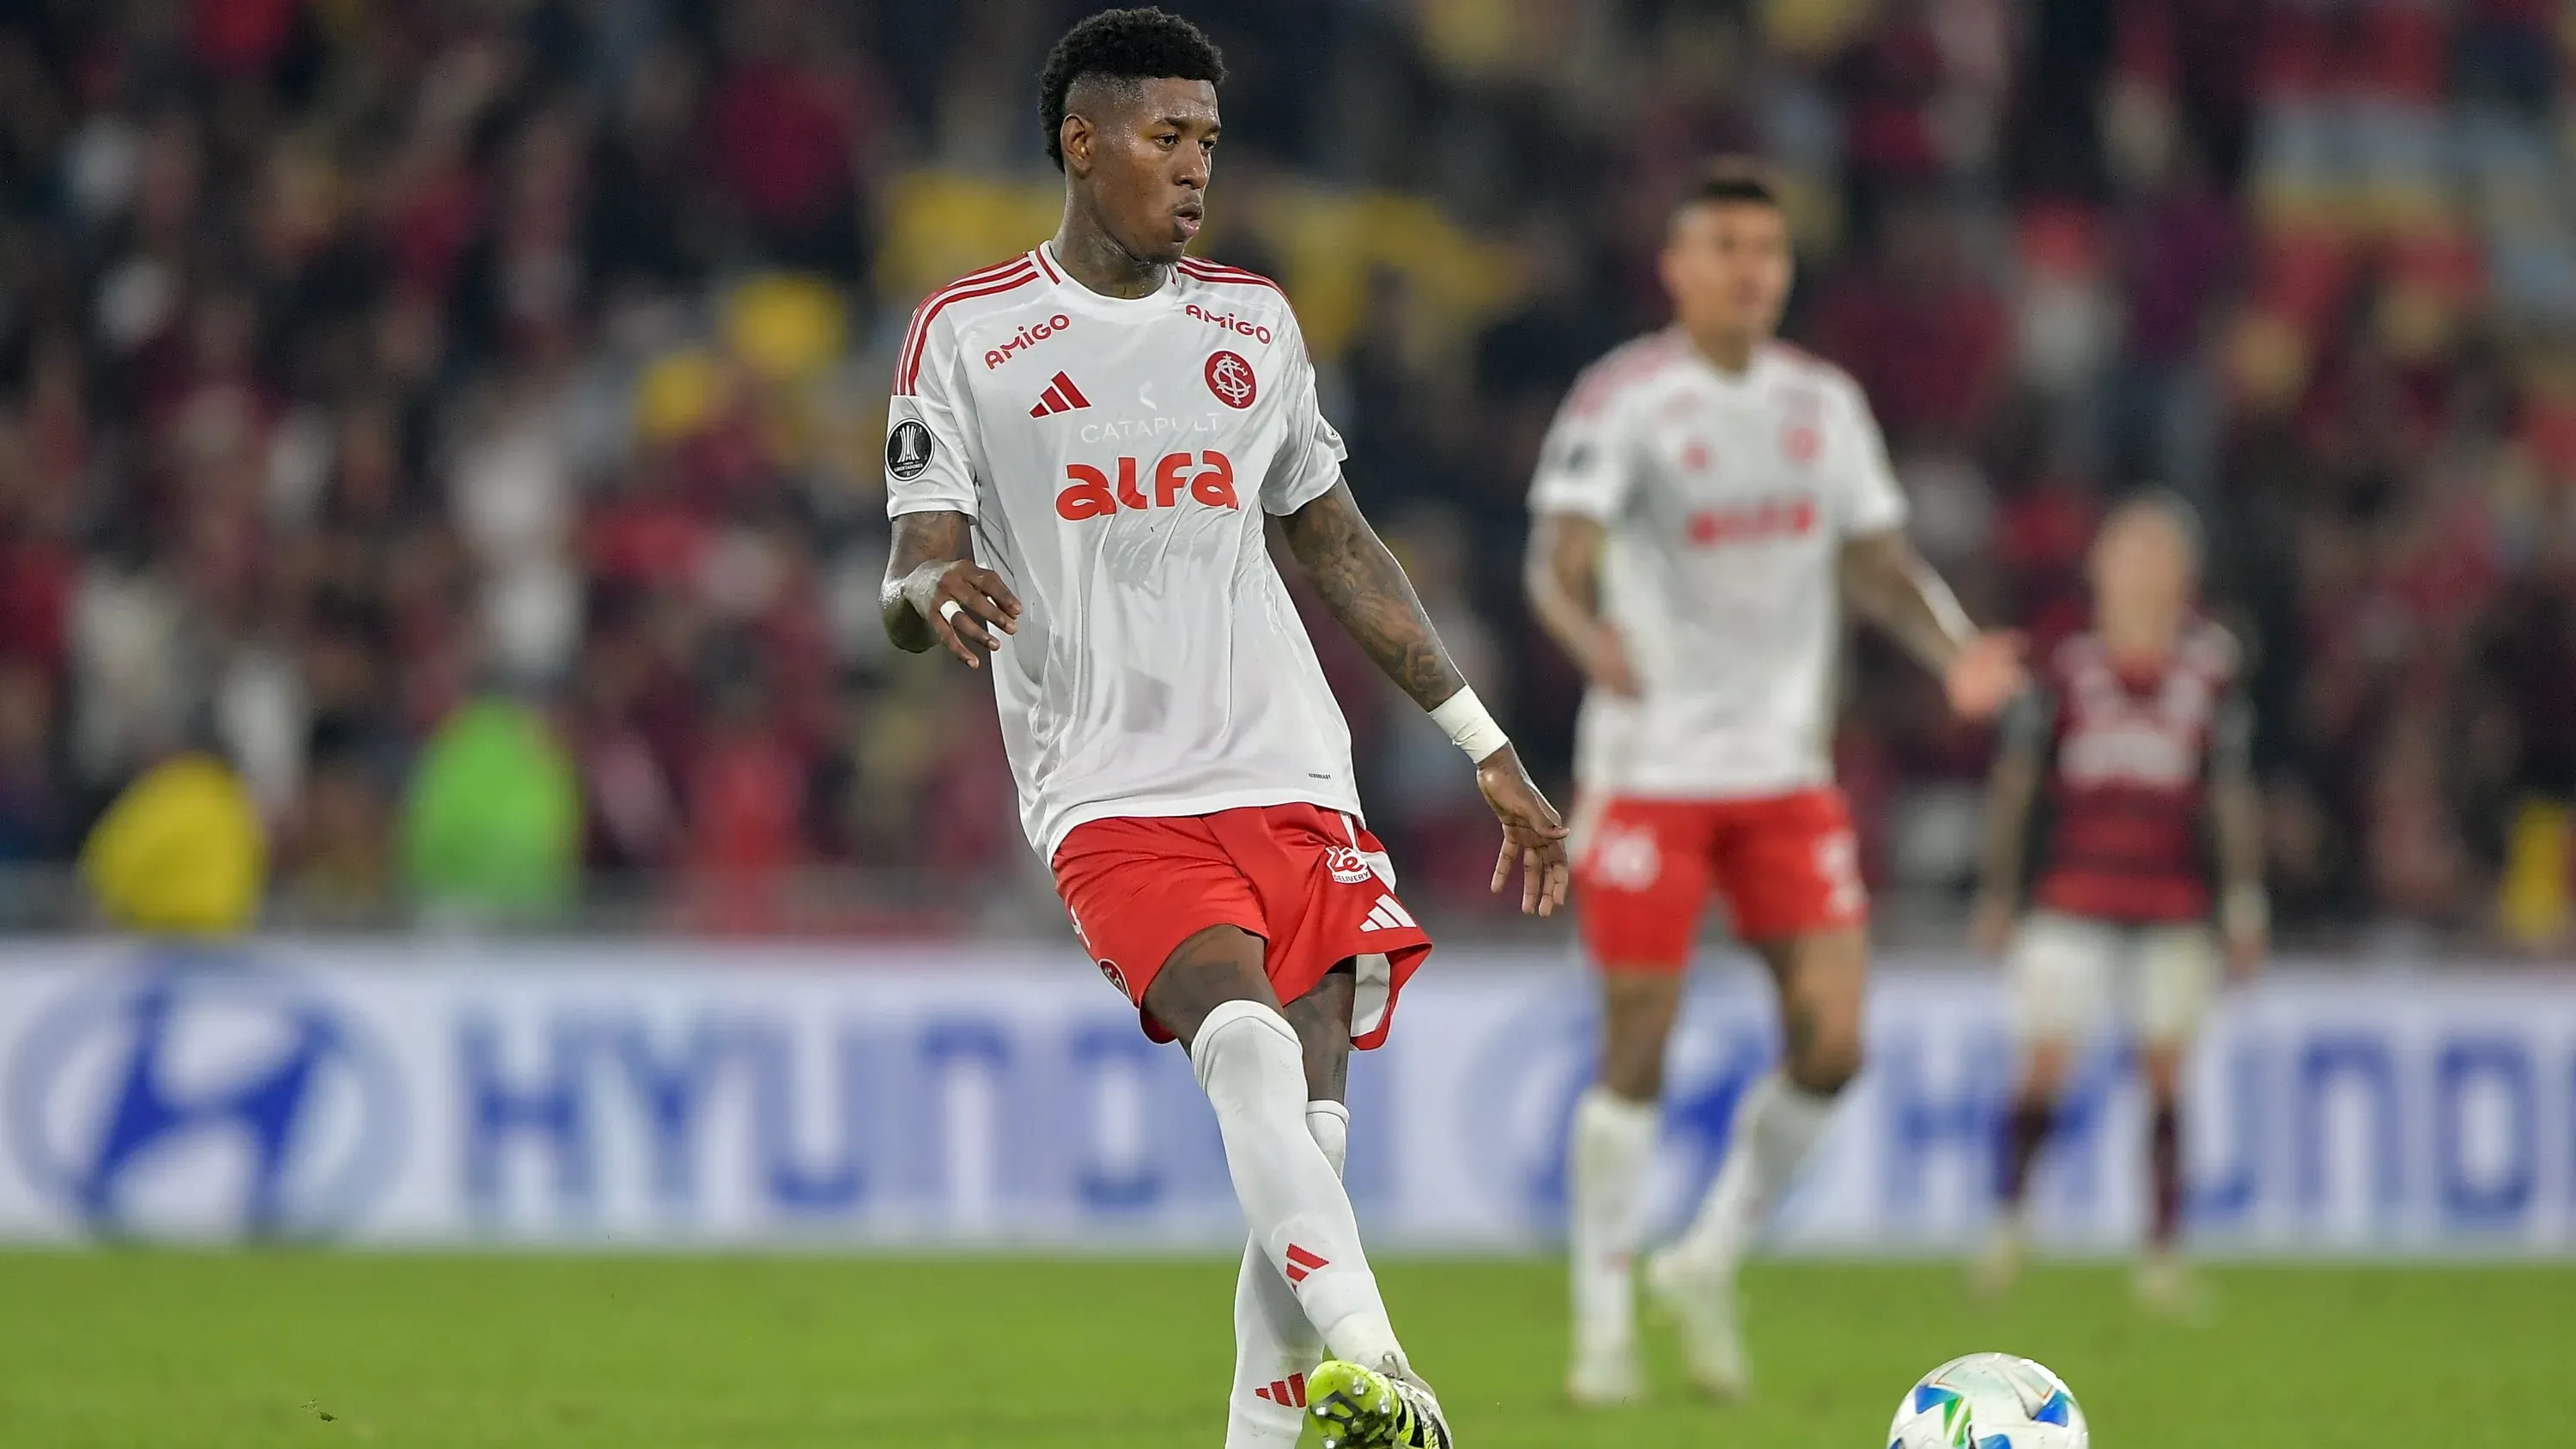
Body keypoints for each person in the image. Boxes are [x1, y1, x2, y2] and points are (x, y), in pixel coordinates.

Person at [878, 11, 1570, 1449]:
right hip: (1111, 788)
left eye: (1209, 141)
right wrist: (935, 586)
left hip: (1290, 767)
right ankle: (1395, 1373)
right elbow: (910, 564)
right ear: (1083, 142)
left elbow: (1340, 541)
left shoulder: (1252, 322)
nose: (1197, 169)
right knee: (1242, 1049)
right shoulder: (970, 334)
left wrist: (1481, 739)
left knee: (1304, 1144)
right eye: (1166, 138)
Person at [1523, 161, 2025, 1406]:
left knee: (1836, 1039)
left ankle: (1708, 1255)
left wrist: (1956, 650)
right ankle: (1601, 1325)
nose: (1752, 268)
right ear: (1677, 266)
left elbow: (1878, 558)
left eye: (1769, 250)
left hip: (1784, 774)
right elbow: (1556, 558)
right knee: (1636, 1035)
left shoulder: (1824, 404)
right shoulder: (1625, 399)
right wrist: (1589, 639)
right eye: (1727, 246)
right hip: (1648, 771)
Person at [1969, 493, 2266, 1311]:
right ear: (2099, 567)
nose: (2141, 571)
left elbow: (2230, 794)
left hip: (2172, 899)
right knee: (2043, 1064)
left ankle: (2162, 1255)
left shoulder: (2212, 669)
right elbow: (2018, 786)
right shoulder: (2065, 667)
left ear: (2185, 572)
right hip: (2073, 891)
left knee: (2167, 1074)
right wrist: (2000, 894)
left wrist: (2244, 905)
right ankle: (2008, 1229)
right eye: (2128, 552)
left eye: (2157, 554)